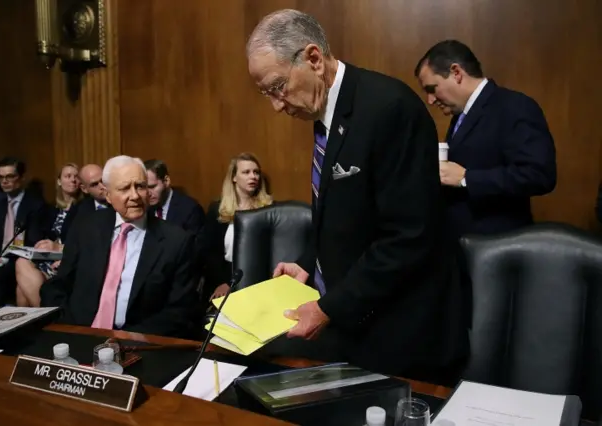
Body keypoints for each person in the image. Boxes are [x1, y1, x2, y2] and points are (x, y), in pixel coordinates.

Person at [246, 10, 466, 383]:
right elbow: (345, 216)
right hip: (357, 326)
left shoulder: (390, 109)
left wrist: (329, 307)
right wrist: (308, 263)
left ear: (313, 58)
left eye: (278, 86)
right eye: (267, 93)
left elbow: (408, 237)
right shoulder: (326, 111)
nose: (276, 105)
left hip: (400, 337)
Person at [40, 156, 199, 337]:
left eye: (140, 186)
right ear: (107, 195)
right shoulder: (85, 228)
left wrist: (128, 339)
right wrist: (68, 326)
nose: (135, 195)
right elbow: (59, 285)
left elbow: (180, 310)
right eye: (124, 188)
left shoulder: (176, 241)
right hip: (79, 333)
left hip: (138, 342)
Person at [415, 40, 557, 238]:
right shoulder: (461, 114)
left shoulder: (514, 106)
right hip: (462, 247)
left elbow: (539, 175)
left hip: (497, 249)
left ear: (456, 73)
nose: (430, 100)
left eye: (432, 88)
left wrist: (466, 178)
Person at [202, 153, 272, 302]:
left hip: (258, 278)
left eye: (256, 172)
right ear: (234, 177)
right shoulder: (218, 209)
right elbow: (211, 252)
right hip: (225, 276)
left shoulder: (269, 209)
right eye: (246, 172)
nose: (253, 176)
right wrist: (222, 282)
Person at [0, 157, 49, 312]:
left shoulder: (35, 205)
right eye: (0, 177)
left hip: (20, 259)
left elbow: (33, 240)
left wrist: (4, 260)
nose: (4, 181)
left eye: (10, 176)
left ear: (22, 177)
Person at [14, 163, 82, 307]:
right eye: (68, 176)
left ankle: (44, 315)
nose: (73, 180)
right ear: (59, 181)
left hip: (66, 260)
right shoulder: (49, 208)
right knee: (22, 265)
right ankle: (36, 323)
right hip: (47, 258)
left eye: (76, 177)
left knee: (22, 287)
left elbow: (83, 242)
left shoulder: (85, 208)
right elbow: (38, 234)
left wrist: (59, 247)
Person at [144, 159, 205, 236]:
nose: (148, 193)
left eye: (152, 187)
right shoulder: (144, 209)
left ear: (166, 181)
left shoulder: (190, 209)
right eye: (144, 188)